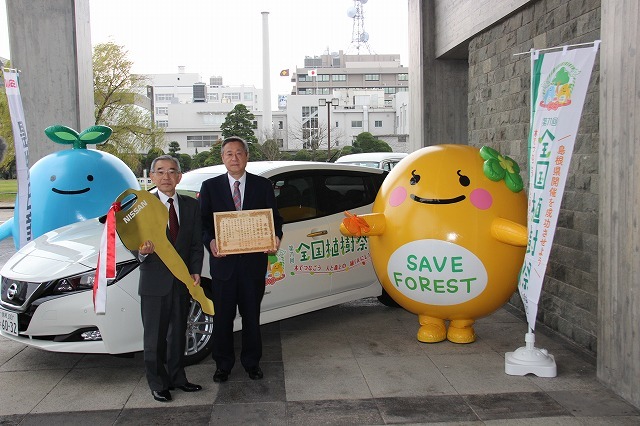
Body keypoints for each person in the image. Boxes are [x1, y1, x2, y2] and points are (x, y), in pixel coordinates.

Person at [199, 136, 283, 382]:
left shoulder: (262, 185)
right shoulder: (210, 187)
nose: (234, 158)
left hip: (253, 265)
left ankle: (251, 362)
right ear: (222, 158)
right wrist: (211, 242)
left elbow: (274, 220)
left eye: (238, 153)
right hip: (223, 265)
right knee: (223, 317)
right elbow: (204, 223)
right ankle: (222, 364)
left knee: (251, 316)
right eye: (228, 154)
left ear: (246, 156)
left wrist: (275, 237)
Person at [137, 155, 204, 402]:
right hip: (154, 283)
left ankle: (178, 378)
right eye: (160, 171)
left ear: (179, 176)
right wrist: (140, 252)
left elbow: (196, 243)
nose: (166, 176)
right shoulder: (141, 207)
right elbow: (129, 240)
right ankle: (158, 383)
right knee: (154, 337)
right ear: (152, 176)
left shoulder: (190, 205)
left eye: (172, 171)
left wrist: (196, 269)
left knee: (178, 334)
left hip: (182, 281)